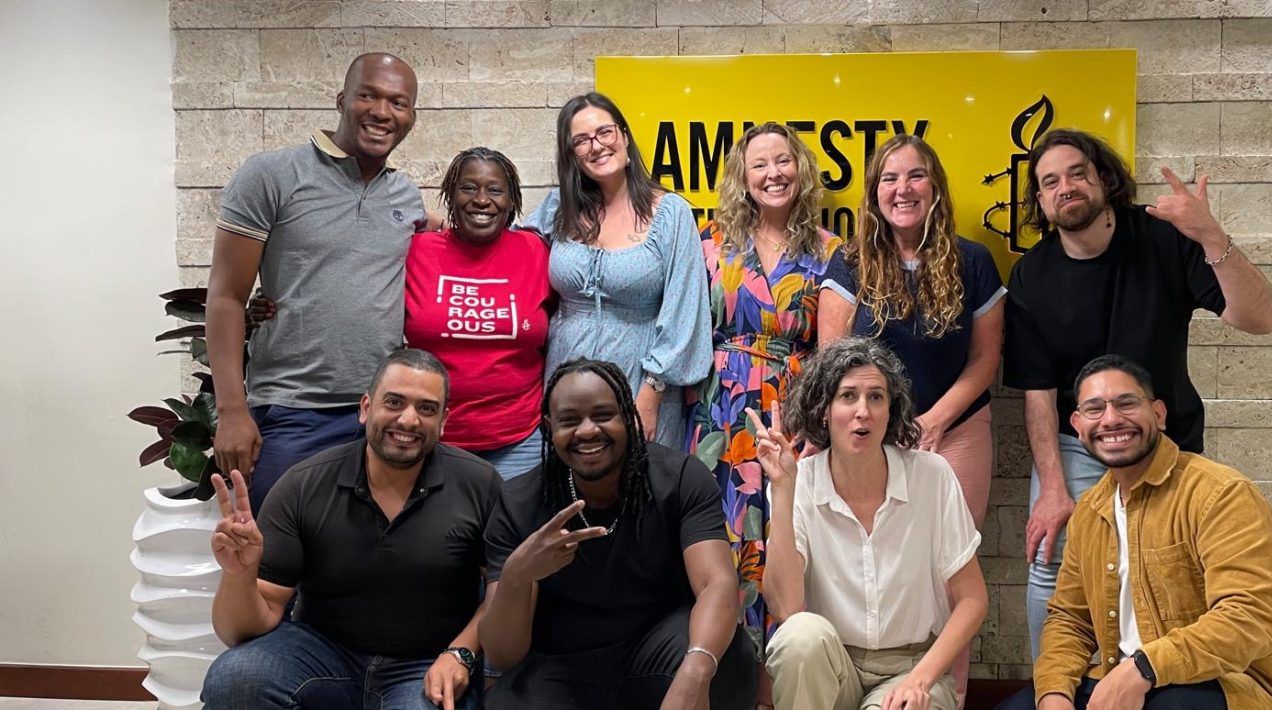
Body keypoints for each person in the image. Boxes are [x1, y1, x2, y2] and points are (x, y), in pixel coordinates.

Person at [1004, 128, 1272, 659]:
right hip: (1078, 443)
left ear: (1104, 178)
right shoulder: (1032, 274)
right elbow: (1038, 393)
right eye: (1050, 182)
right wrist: (1052, 488)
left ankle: (1162, 679)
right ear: (1040, 199)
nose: (1066, 187)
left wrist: (1211, 235)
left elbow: (1259, 318)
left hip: (1165, 439)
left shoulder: (1164, 238)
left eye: (1077, 173)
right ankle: (1055, 688)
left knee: (1171, 567)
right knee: (1050, 561)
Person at [995, 355, 1272, 710]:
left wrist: (1144, 667)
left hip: (1232, 687)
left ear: (1159, 415)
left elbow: (1252, 617)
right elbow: (1070, 619)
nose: (1111, 419)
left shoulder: (1221, 494)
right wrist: (1054, 693)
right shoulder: (1089, 512)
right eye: (1095, 409)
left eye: (1127, 403)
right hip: (1129, 681)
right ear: (1078, 425)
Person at [201, 349, 502, 710]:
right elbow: (239, 632)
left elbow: (502, 593)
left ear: (442, 422)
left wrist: (461, 652)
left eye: (426, 408)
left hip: (428, 662)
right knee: (235, 678)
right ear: (365, 408)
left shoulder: (479, 484)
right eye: (394, 402)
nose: (408, 420)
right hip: (323, 656)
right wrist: (239, 575)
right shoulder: (304, 484)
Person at [818, 134, 1004, 701]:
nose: (903, 189)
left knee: (952, 580)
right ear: (874, 193)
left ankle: (943, 695)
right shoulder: (850, 261)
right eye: (889, 178)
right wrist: (886, 427)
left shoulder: (973, 261)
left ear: (936, 187)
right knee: (879, 569)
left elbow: (986, 360)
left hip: (957, 431)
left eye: (915, 175)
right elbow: (833, 359)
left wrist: (937, 419)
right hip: (870, 434)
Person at [205, 52, 427, 508]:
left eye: (398, 103)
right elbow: (226, 296)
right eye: (368, 96)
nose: (382, 112)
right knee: (274, 549)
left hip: (380, 415)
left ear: (411, 117)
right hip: (293, 411)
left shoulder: (405, 195)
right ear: (342, 100)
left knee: (374, 550)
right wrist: (231, 411)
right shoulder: (271, 175)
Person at [251, 147, 554, 478]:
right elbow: (354, 278)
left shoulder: (536, 251)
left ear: (511, 201)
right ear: (450, 196)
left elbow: (565, 314)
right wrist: (272, 300)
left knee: (515, 514)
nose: (482, 200)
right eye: (468, 188)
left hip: (519, 441)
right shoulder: (418, 249)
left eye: (495, 190)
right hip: (426, 438)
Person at [478, 358, 759, 710]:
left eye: (602, 415)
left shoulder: (680, 478)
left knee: (724, 655)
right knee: (507, 703)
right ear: (549, 427)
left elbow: (716, 584)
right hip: (560, 668)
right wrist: (517, 575)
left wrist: (696, 671)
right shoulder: (519, 501)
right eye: (569, 420)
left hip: (658, 653)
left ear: (628, 416)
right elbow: (502, 655)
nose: (587, 431)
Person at [754, 337, 988, 710]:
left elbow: (973, 600)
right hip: (832, 664)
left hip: (910, 666)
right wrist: (783, 489)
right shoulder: (800, 482)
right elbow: (785, 608)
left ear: (891, 410)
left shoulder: (932, 475)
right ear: (824, 410)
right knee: (799, 637)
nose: (863, 411)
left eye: (876, 397)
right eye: (848, 396)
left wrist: (920, 680)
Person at [684, 122, 844, 651]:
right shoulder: (709, 242)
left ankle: (783, 669)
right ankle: (722, 663)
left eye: (783, 161)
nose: (773, 173)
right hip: (719, 409)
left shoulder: (829, 250)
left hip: (793, 409)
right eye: (760, 164)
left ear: (801, 170)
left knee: (786, 531)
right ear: (742, 176)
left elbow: (833, 351)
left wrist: (817, 423)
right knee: (721, 533)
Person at [522, 92, 712, 450]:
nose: (596, 146)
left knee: (641, 478)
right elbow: (511, 250)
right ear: (571, 155)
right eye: (581, 140)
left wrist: (651, 393)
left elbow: (685, 310)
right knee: (571, 479)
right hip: (565, 380)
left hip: (639, 383)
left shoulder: (670, 212)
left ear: (624, 136)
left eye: (604, 132)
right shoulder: (558, 207)